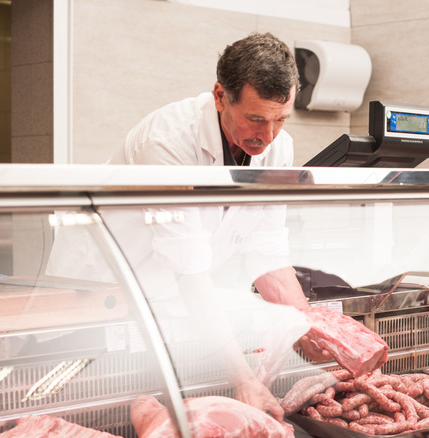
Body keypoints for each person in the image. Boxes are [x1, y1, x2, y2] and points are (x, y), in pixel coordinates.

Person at [104, 32, 331, 419]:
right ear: (220, 95)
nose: (268, 135)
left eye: (280, 119)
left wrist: (311, 330)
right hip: (109, 300)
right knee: (112, 409)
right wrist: (242, 380)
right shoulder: (167, 142)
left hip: (183, 306)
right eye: (256, 119)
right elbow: (188, 266)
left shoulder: (279, 146)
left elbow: (268, 253)